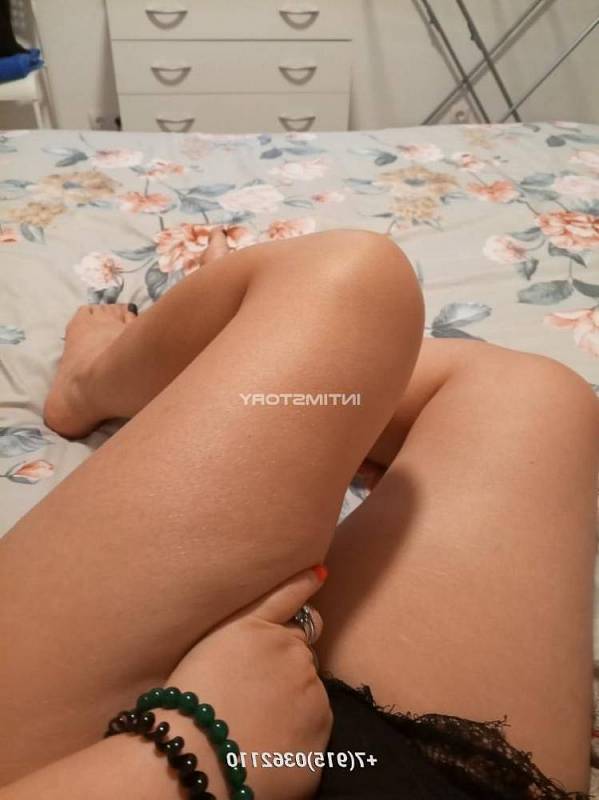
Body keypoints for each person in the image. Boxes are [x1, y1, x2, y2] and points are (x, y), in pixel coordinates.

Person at [0, 229, 597, 799]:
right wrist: (204, 755)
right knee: (372, 294)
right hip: (281, 764)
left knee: (495, 374)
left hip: (207, 763)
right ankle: (167, 367)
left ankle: (179, 368)